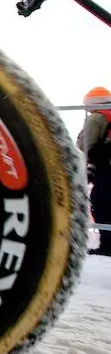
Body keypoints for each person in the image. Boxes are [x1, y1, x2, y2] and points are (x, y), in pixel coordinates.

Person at [78, 86, 111, 256]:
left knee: (100, 203)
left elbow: (88, 144)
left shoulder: (96, 119)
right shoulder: (108, 115)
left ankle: (107, 246)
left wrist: (89, 167)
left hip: (105, 167)